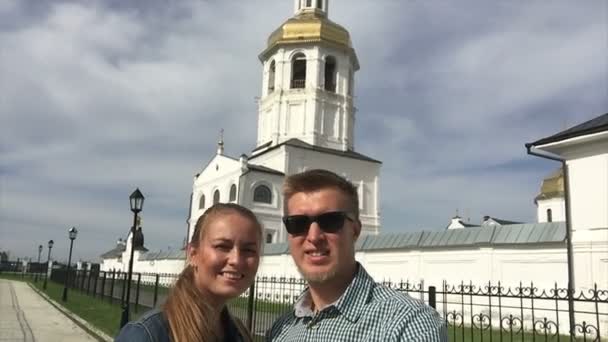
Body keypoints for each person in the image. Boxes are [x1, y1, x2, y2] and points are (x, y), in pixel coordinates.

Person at [267, 169, 447, 341]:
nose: (314, 237)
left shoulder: (407, 324)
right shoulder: (281, 330)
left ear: (355, 230)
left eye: (331, 221)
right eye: (297, 223)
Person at [116, 203, 263, 342]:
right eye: (222, 246)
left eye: (248, 250)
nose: (236, 260)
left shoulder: (240, 334)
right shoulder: (147, 335)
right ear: (193, 254)